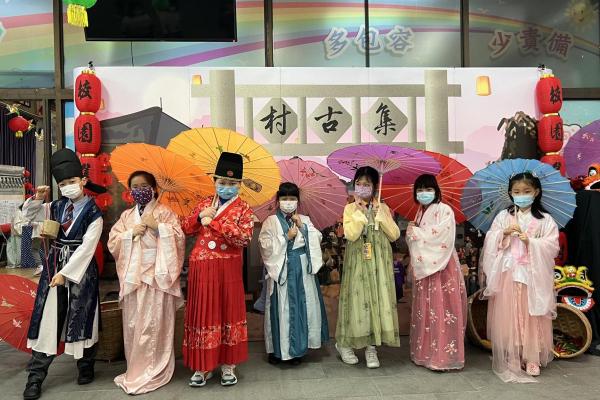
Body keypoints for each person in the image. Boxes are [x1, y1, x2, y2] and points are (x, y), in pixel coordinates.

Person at [22, 149, 105, 400]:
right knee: (48, 319)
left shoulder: (94, 213)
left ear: (83, 180)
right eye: (63, 184)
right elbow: (27, 217)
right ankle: (35, 376)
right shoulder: (56, 206)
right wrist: (36, 199)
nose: (68, 186)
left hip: (81, 269)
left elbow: (88, 248)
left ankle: (86, 365)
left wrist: (66, 274)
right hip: (54, 265)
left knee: (83, 316)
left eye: (72, 181)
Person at [108, 171, 185, 394]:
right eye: (135, 186)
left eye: (144, 186)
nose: (139, 190)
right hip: (134, 277)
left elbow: (179, 239)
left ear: (153, 189)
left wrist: (159, 227)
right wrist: (130, 233)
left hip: (157, 277)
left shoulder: (165, 213)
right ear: (130, 191)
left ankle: (155, 369)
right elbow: (113, 242)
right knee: (134, 325)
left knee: (155, 325)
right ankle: (136, 369)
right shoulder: (126, 216)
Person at [181, 152, 254, 387]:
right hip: (202, 268)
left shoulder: (244, 209)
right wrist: (199, 217)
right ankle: (203, 366)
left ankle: (228, 365)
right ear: (214, 181)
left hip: (228, 269)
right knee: (204, 314)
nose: (226, 187)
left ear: (239, 185)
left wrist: (214, 222)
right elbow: (185, 228)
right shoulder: (204, 203)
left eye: (232, 183)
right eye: (222, 182)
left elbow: (244, 238)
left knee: (228, 313)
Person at [481, 172, 558, 382]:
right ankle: (513, 354)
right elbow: (491, 239)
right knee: (510, 314)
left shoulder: (545, 220)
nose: (521, 195)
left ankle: (532, 356)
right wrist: (504, 233)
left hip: (532, 274)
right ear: (510, 193)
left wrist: (531, 242)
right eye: (516, 191)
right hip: (508, 272)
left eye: (526, 191)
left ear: (536, 192)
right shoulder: (504, 216)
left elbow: (552, 246)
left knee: (531, 314)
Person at [335, 166, 400, 368]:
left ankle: (371, 347)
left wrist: (382, 216)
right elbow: (351, 234)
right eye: (359, 183)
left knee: (377, 300)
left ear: (375, 186)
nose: (362, 187)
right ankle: (345, 344)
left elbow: (394, 235)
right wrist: (360, 214)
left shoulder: (383, 208)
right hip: (358, 261)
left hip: (379, 261)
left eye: (367, 184)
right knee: (357, 300)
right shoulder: (350, 208)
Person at [258, 182, 328, 365]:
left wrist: (303, 228)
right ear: (278, 200)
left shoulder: (304, 219)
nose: (288, 202)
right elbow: (265, 246)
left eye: (292, 198)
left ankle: (298, 350)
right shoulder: (270, 221)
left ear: (297, 200)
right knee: (282, 309)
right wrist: (285, 238)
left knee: (303, 306)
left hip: (302, 269)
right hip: (282, 268)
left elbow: (317, 238)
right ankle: (278, 351)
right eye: (284, 198)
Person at [406, 174, 467, 371]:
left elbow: (442, 236)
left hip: (443, 266)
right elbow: (417, 239)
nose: (424, 193)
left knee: (442, 308)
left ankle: (443, 356)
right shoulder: (419, 213)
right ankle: (425, 353)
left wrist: (416, 233)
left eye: (428, 189)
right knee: (427, 309)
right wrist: (411, 231)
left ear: (436, 191)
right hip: (426, 267)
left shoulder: (444, 210)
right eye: (420, 190)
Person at [13, 203, 44, 276]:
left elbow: (35, 223)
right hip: (42, 232)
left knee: (34, 249)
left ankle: (40, 266)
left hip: (38, 233)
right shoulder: (40, 210)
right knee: (39, 249)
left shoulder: (36, 212)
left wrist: (29, 222)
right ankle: (42, 265)